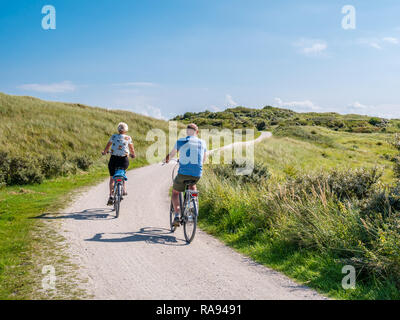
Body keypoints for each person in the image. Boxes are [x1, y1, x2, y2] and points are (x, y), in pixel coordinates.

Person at [164, 123, 207, 227]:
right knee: (192, 185)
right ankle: (192, 204)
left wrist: (167, 159)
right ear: (197, 132)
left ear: (187, 132)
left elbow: (172, 154)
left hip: (183, 173)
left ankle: (177, 215)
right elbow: (203, 159)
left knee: (175, 192)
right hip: (197, 174)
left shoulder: (181, 141)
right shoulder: (202, 142)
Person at [102, 122, 135, 205]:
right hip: (124, 160)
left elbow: (108, 146)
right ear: (126, 130)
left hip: (114, 159)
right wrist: (133, 155)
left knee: (112, 178)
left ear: (118, 129)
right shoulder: (128, 138)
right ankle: (123, 189)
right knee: (122, 172)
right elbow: (131, 149)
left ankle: (111, 195)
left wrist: (105, 152)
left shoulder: (113, 136)